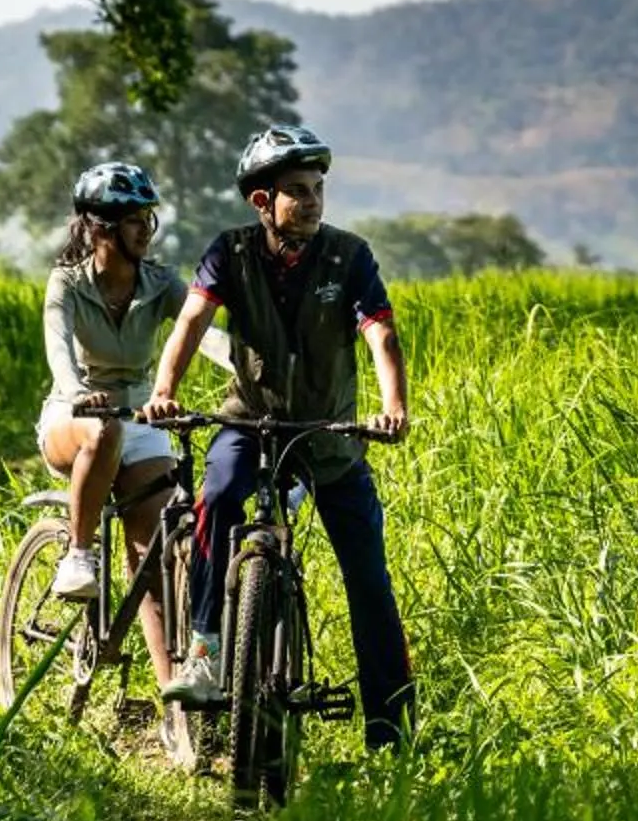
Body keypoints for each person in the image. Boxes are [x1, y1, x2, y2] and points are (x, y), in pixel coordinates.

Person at [139, 124, 413, 745]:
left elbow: (380, 334)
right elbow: (190, 322)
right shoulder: (229, 253)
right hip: (250, 419)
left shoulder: (350, 256)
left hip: (329, 433)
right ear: (261, 201)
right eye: (297, 190)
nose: (312, 200)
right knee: (218, 496)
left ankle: (391, 730)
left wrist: (392, 406)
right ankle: (206, 650)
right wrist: (164, 393)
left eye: (317, 188)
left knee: (368, 577)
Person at [37, 162, 189, 664]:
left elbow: (198, 330)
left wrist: (253, 370)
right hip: (74, 413)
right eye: (132, 220)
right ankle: (78, 553)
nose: (145, 228)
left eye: (148, 217)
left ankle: (175, 700)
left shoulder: (161, 282)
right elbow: (58, 346)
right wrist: (77, 390)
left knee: (155, 553)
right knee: (102, 433)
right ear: (99, 227)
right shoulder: (67, 282)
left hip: (138, 414)